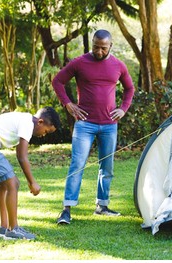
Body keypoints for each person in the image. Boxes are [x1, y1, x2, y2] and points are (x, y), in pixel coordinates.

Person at [52, 29, 135, 225]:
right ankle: (66, 209)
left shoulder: (118, 66)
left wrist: (123, 108)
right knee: (77, 165)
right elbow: (58, 81)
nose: (99, 51)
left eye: (103, 48)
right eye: (96, 47)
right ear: (92, 45)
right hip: (84, 124)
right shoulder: (80, 63)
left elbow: (129, 88)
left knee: (107, 167)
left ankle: (102, 206)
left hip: (109, 125)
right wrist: (68, 104)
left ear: (110, 46)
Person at [0, 107, 61, 240]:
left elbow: (19, 154)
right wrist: (32, 182)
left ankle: (3, 228)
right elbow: (22, 156)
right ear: (40, 122)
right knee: (13, 183)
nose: (44, 135)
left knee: (5, 184)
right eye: (46, 131)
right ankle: (13, 229)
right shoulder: (27, 124)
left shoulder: (25, 120)